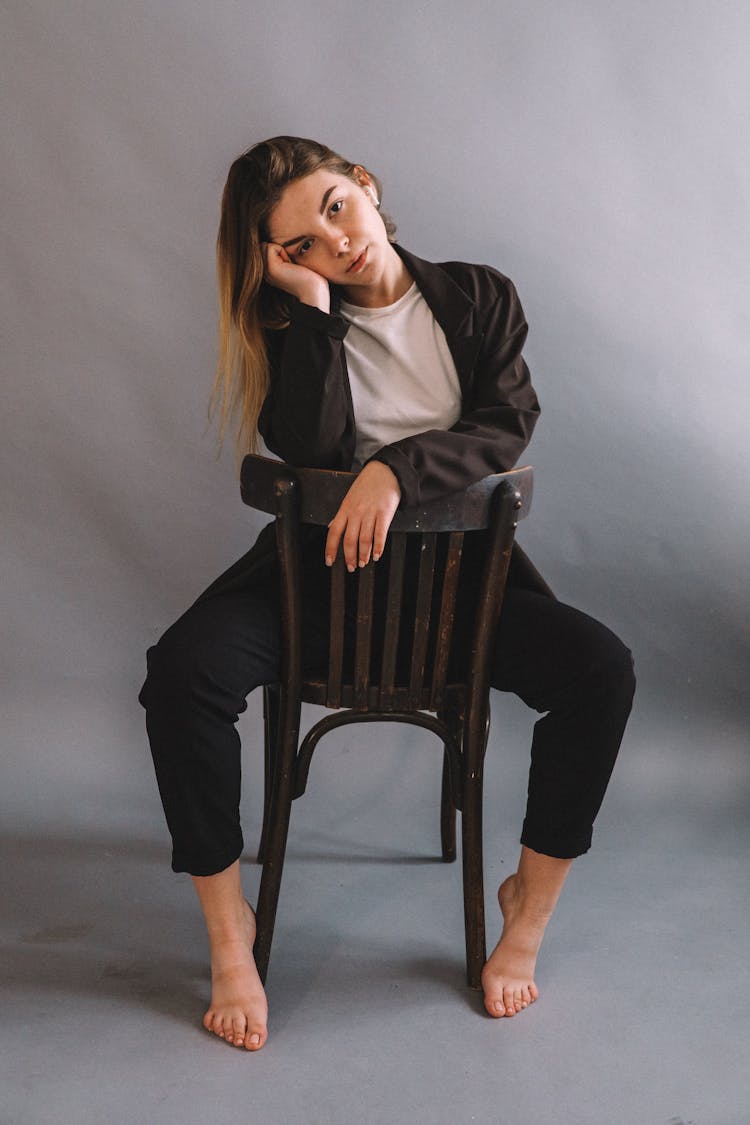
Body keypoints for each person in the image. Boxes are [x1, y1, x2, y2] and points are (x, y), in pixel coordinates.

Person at [138, 136, 635, 1052]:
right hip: (315, 594)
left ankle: (525, 910)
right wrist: (315, 315)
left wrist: (397, 470)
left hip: (464, 597)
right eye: (301, 244)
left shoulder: (479, 296)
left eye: (335, 207)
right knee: (180, 675)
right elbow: (311, 450)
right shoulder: (292, 328)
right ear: (283, 263)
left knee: (601, 669)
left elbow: (507, 423)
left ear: (364, 184)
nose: (336, 242)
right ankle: (228, 928)